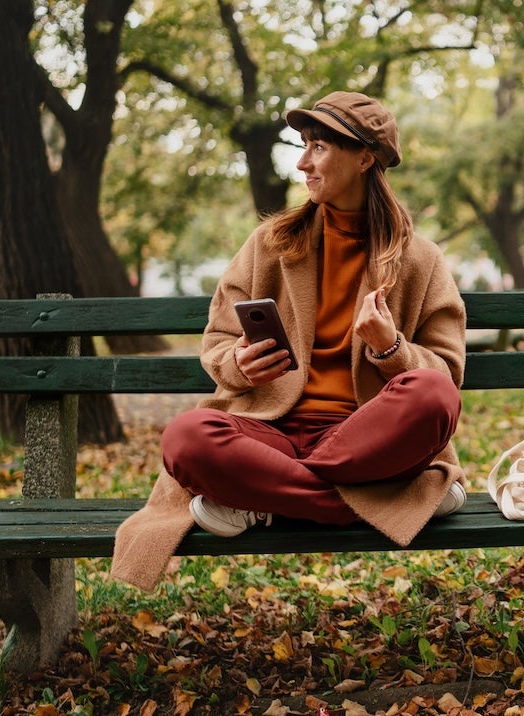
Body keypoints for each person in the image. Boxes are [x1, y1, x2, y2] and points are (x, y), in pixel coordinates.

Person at [111, 91, 467, 590]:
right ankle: (390, 499)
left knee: (433, 396)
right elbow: (218, 339)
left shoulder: (419, 260)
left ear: (365, 158)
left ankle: (266, 500)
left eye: (318, 147)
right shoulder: (271, 242)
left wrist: (391, 350)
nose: (303, 163)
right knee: (187, 438)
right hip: (269, 433)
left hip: (366, 436)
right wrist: (239, 364)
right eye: (303, 146)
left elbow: (447, 374)